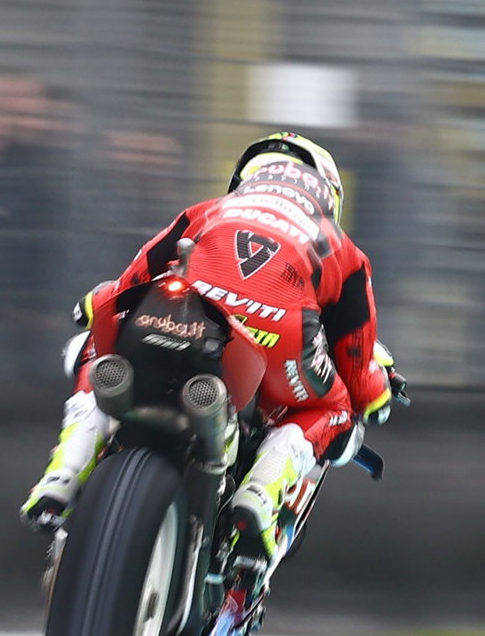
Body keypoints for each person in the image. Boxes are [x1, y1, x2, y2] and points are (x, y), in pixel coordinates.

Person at [21, 131, 402, 568]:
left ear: (246, 178)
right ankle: (260, 492)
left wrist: (93, 306)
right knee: (334, 410)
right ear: (329, 194)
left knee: (99, 348)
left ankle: (66, 467)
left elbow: (130, 280)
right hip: (277, 336)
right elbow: (360, 375)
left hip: (187, 306)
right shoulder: (342, 247)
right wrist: (377, 395)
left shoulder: (210, 209)